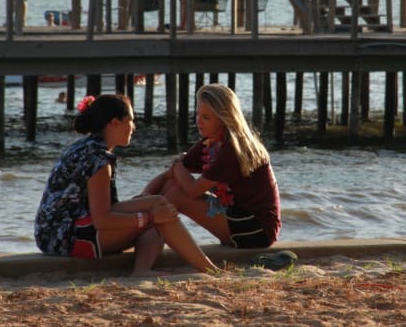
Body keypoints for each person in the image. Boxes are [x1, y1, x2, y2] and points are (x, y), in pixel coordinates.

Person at [34, 94, 218, 276]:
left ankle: (143, 270)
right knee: (158, 215)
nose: (134, 127)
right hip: (62, 238)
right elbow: (102, 219)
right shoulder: (98, 160)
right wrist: (149, 218)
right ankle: (210, 270)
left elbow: (106, 210)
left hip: (57, 230)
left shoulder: (86, 147)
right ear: (115, 123)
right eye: (131, 120)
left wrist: (151, 207)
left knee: (158, 203)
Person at [139, 83, 281, 249]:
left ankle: (140, 239)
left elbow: (192, 190)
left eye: (206, 117)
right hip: (236, 217)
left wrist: (177, 164)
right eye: (198, 114)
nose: (198, 122)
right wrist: (145, 195)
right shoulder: (210, 143)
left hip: (257, 228)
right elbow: (171, 175)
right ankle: (143, 236)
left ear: (223, 120)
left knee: (177, 196)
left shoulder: (234, 149)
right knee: (172, 185)